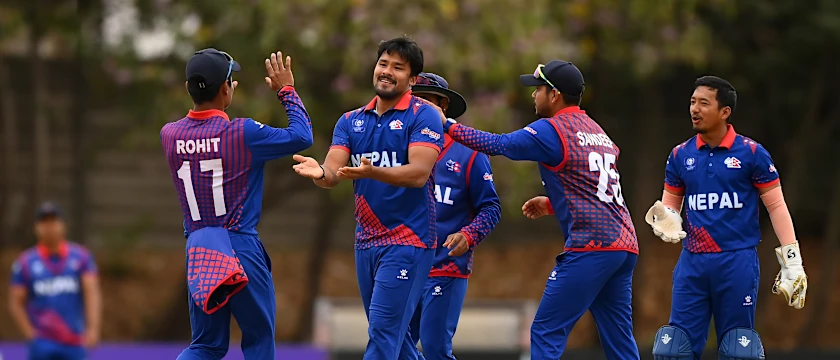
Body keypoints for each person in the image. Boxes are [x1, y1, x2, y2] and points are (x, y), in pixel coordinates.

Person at [429, 60, 640, 360]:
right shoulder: (596, 130)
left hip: (591, 247)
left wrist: (448, 124)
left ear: (554, 95)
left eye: (538, 89)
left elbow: (499, 144)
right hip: (624, 245)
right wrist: (554, 204)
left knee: (545, 331)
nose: (533, 95)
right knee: (619, 339)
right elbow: (598, 189)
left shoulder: (552, 129)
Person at [292, 36, 444, 360]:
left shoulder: (424, 116)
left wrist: (372, 173)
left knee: (382, 336)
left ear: (412, 79)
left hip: (409, 240)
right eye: (383, 64)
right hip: (367, 242)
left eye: (398, 68)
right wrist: (320, 173)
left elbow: (418, 174)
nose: (387, 72)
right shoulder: (351, 121)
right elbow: (334, 173)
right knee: (398, 344)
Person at [160, 48, 313, 360]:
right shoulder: (241, 132)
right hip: (238, 242)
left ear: (188, 88)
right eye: (231, 81)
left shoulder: (169, 134)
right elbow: (302, 136)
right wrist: (286, 91)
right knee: (258, 341)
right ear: (226, 88)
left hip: (200, 246)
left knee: (205, 345)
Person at [647, 76, 808, 360]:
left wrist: (792, 262)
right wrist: (666, 220)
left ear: (724, 112)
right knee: (672, 350)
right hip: (692, 262)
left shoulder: (752, 153)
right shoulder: (679, 155)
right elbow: (670, 205)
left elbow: (777, 207)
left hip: (736, 262)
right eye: (692, 102)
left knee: (738, 351)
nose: (694, 109)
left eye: (704, 103)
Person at [408, 72, 502, 360]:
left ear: (443, 106)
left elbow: (491, 207)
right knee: (395, 346)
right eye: (412, 100)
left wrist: (469, 235)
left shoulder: (469, 152)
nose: (417, 107)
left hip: (445, 267)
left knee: (436, 349)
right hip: (403, 264)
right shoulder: (398, 146)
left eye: (425, 101)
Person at [8, 201, 102, 360]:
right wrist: (30, 333)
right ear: (36, 227)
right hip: (43, 341)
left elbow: (91, 293)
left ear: (64, 225)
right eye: (44, 222)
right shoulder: (25, 262)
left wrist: (93, 328)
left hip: (74, 339)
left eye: (53, 221)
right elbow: (16, 301)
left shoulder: (81, 257)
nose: (49, 227)